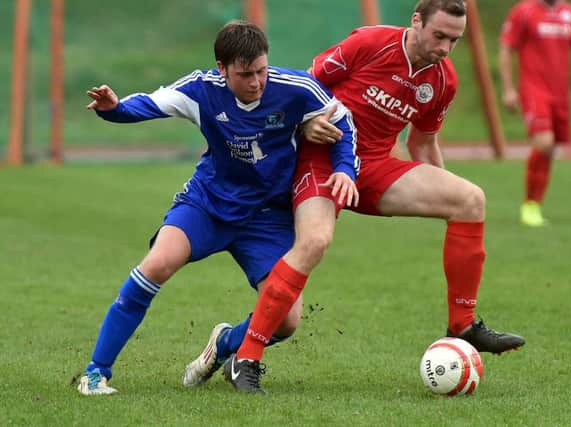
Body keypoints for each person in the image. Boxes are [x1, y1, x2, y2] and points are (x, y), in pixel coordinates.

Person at [189, 0, 525, 395]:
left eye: (455, 40)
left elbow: (424, 141)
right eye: (439, 36)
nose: (445, 48)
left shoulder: (443, 80)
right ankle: (245, 358)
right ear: (416, 21)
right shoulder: (371, 43)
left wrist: (440, 197)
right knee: (315, 241)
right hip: (323, 160)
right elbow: (300, 86)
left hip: (376, 166)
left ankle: (462, 326)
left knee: (469, 200)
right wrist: (309, 122)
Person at [76, 20, 360, 395]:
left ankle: (224, 344)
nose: (257, 82)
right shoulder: (201, 89)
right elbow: (151, 103)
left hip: (266, 216)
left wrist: (344, 170)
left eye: (261, 70)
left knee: (287, 320)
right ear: (222, 69)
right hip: (208, 202)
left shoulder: (295, 89)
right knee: (158, 263)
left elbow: (343, 122)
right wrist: (113, 109)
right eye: (245, 75)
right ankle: (97, 372)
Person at [499, 0, 571, 227]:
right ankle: (530, 205)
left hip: (560, 93)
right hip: (534, 89)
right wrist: (508, 89)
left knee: (551, 148)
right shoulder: (524, 11)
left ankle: (535, 204)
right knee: (544, 142)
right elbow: (506, 48)